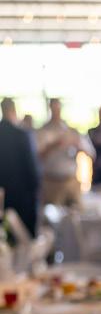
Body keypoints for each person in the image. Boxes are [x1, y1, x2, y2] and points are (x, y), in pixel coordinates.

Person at [36, 98, 95, 208]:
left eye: (58, 108)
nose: (56, 112)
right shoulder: (42, 131)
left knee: (77, 211)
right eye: (54, 109)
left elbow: (91, 153)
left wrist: (77, 146)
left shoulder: (71, 131)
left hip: (71, 181)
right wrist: (54, 146)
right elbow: (37, 156)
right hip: (52, 182)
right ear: (50, 108)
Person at [0, 97, 42, 236]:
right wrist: (36, 188)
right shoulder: (22, 135)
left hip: (3, 196)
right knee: (25, 235)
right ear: (13, 110)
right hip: (23, 196)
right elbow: (32, 167)